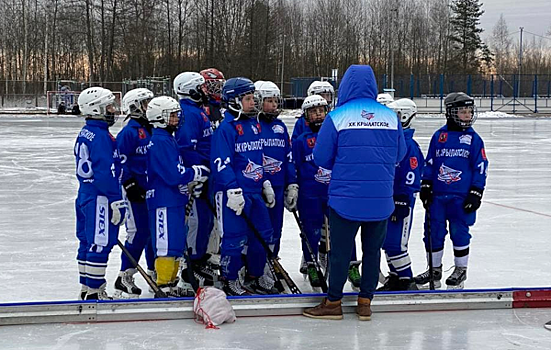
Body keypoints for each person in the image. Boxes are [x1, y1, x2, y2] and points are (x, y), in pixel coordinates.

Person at [303, 64, 406, 321]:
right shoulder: (390, 117)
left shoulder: (338, 116)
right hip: (381, 198)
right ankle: (364, 303)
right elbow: (400, 154)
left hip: (345, 198)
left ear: (345, 85)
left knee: (340, 251)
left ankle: (333, 302)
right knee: (372, 252)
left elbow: (321, 157)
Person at [414, 92, 488, 290]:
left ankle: (460, 269)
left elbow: (480, 167)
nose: (467, 115)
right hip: (438, 196)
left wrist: (476, 192)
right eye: (463, 111)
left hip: (461, 197)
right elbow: (429, 163)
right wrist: (426, 184)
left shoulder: (474, 139)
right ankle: (434, 269)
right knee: (433, 231)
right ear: (451, 112)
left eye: (469, 111)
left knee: (459, 232)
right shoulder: (440, 136)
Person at [210, 77, 276, 296]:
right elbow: (220, 161)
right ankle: (229, 278)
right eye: (248, 98)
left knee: (263, 234)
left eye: (253, 98)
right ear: (234, 100)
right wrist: (231, 188)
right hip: (234, 193)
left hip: (255, 190)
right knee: (234, 237)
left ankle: (255, 275)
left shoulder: (254, 124)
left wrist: (265, 181)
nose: (253, 102)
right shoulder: (226, 128)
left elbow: (258, 156)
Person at [145, 96, 210, 297]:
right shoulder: (160, 141)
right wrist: (194, 173)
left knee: (175, 243)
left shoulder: (167, 138)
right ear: (159, 117)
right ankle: (163, 284)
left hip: (174, 200)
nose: (176, 119)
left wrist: (189, 182)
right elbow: (173, 174)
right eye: (172, 115)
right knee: (165, 244)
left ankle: (171, 283)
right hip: (164, 201)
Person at [74, 87, 127, 300]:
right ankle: (95, 291)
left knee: (87, 241)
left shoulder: (87, 132)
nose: (112, 110)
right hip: (100, 197)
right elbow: (105, 172)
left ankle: (87, 288)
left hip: (86, 194)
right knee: (100, 242)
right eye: (108, 106)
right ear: (95, 108)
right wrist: (115, 199)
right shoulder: (101, 136)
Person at [173, 72, 217, 286]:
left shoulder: (198, 111)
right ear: (191, 89)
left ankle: (199, 258)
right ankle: (190, 263)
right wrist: (196, 174)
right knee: (197, 221)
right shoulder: (189, 113)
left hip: (206, 174)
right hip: (198, 177)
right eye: (202, 87)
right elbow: (186, 147)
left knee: (206, 220)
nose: (206, 91)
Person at [378, 98, 424, 291]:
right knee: (387, 241)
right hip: (387, 200)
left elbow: (412, 175)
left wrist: (402, 200)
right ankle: (396, 277)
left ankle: (406, 279)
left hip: (401, 202)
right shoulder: (391, 141)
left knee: (397, 243)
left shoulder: (409, 145)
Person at [114, 88, 156, 298]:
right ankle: (125, 276)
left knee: (152, 232)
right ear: (135, 107)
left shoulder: (151, 129)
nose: (150, 106)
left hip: (151, 189)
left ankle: (153, 271)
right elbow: (120, 160)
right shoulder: (129, 132)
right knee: (138, 232)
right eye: (146, 103)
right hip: (134, 190)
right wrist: (129, 184)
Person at [255, 80, 297, 259]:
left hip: (278, 185)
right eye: (269, 101)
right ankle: (254, 266)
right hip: (257, 188)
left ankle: (272, 261)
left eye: (275, 101)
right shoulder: (252, 126)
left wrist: (292, 183)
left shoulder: (280, 127)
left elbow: (288, 156)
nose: (274, 105)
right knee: (257, 229)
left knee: (275, 227)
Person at [292, 95, 330, 290]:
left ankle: (350, 265)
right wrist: (293, 187)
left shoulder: (334, 136)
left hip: (332, 193)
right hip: (309, 194)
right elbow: (294, 166)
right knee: (311, 232)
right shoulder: (300, 141)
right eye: (314, 111)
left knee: (340, 231)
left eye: (321, 110)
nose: (318, 114)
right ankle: (311, 264)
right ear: (306, 115)